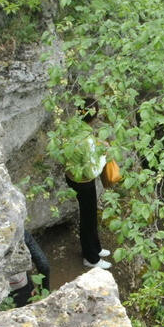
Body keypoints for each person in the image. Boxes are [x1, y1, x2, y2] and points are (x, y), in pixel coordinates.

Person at [64, 99, 112, 269]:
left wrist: (98, 144)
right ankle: (90, 258)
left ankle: (96, 248)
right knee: (88, 218)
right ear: (94, 116)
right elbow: (91, 171)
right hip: (84, 182)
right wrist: (104, 157)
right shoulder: (86, 140)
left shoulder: (72, 126)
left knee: (89, 216)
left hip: (72, 176)